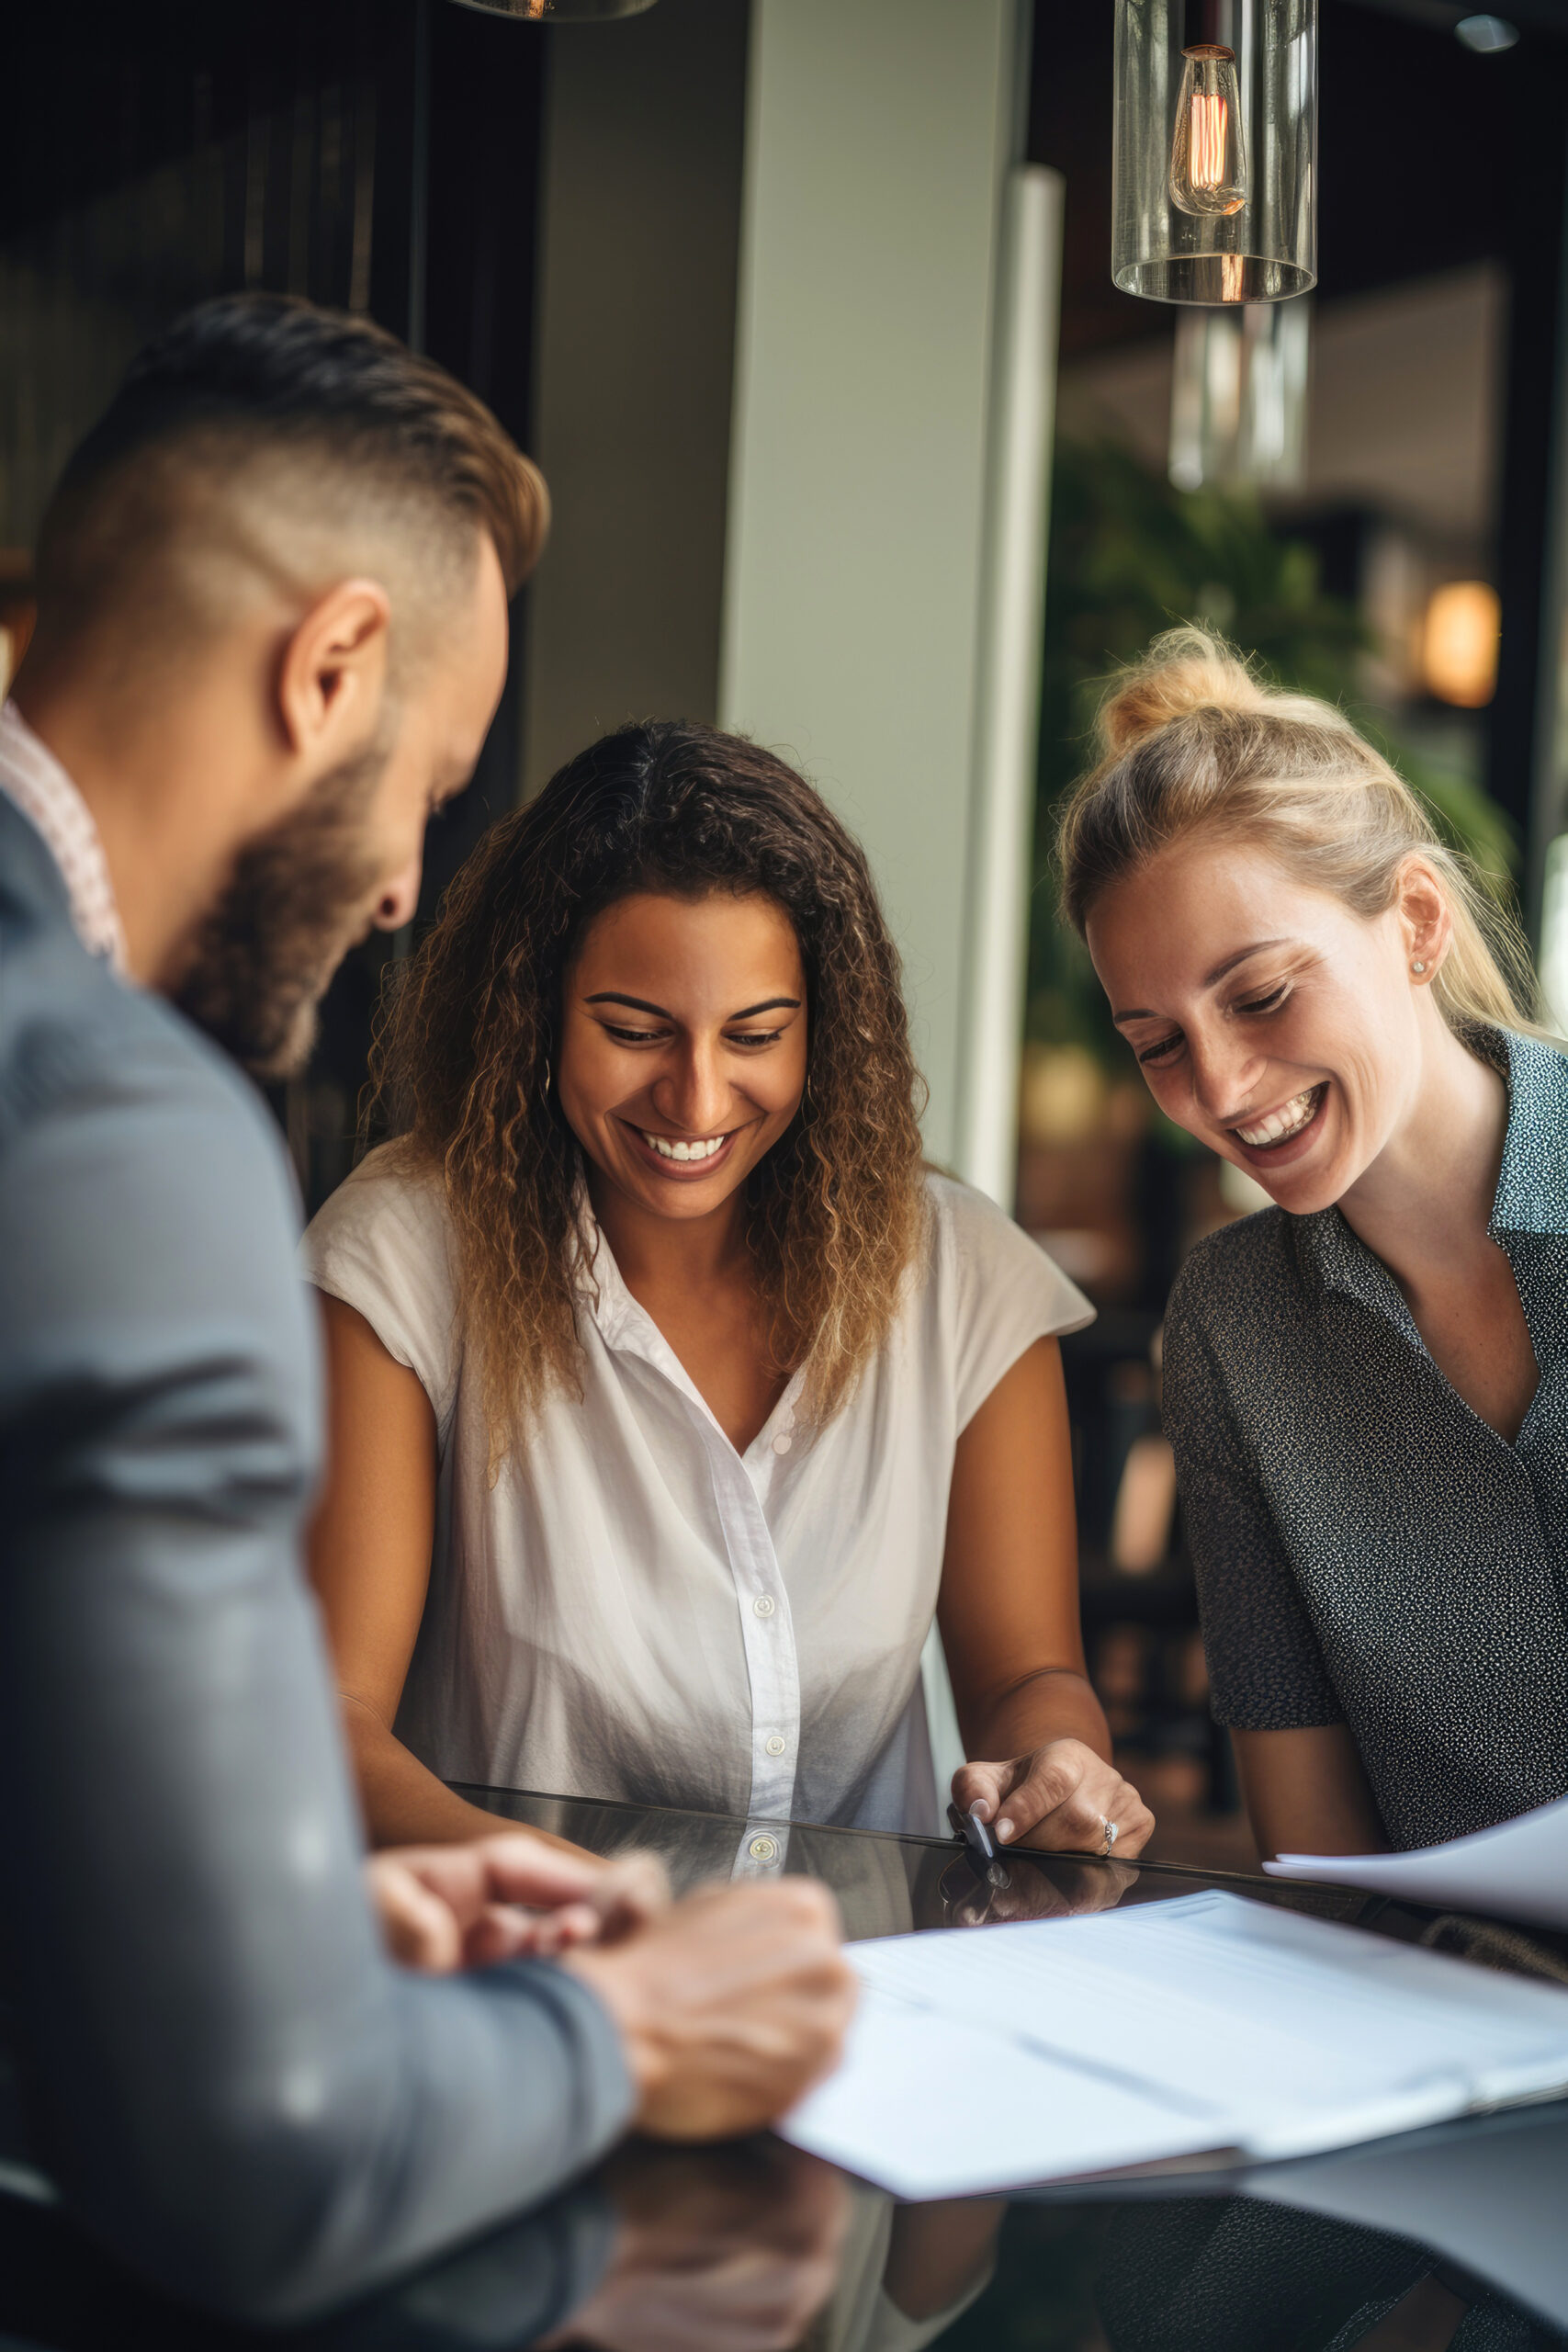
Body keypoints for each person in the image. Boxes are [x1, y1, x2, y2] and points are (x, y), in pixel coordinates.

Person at [0, 293, 853, 2324]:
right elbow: (258, 2154)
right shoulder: (115, 1124)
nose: (403, 885)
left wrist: (269, 1904)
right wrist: (626, 2028)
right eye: (431, 786)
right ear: (331, 666)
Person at [300, 723, 1155, 1861]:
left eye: (756, 1033)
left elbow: (1030, 1674)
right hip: (536, 1983)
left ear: (827, 1029)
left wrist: (1057, 1760)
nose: (696, 1098)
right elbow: (324, 1723)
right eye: (634, 1030)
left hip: (867, 1997)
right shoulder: (408, 1258)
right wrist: (557, 1893)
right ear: (536, 1011)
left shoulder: (960, 1276)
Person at [1055, 627, 1568, 1861]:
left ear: (1413, 921)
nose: (1221, 1090)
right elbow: (1312, 1843)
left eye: (1260, 994)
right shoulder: (1233, 1325)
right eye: (1157, 1040)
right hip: (1435, 2014)